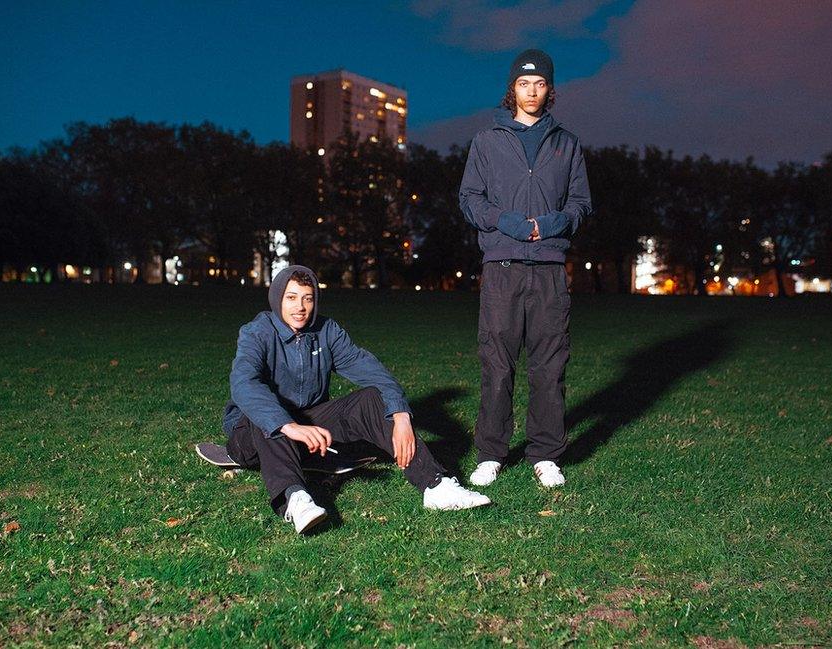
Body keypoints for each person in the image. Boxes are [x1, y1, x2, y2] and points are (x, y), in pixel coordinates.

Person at [223, 265, 490, 534]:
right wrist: (289, 426)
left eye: (308, 297)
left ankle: (435, 486)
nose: (300, 307)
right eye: (291, 297)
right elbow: (244, 384)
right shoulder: (257, 331)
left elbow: (373, 372)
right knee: (269, 413)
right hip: (251, 435)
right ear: (277, 298)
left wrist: (401, 415)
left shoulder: (326, 331)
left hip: (310, 430)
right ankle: (296, 499)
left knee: (372, 398)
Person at [458, 49, 592, 489]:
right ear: (512, 88)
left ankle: (545, 453)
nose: (531, 91)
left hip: (550, 268)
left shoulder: (566, 143)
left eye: (539, 84)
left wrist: (553, 224)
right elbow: (470, 200)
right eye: (523, 83)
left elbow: (581, 204)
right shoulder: (487, 140)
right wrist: (508, 222)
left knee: (549, 364)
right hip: (502, 267)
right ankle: (492, 453)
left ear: (549, 90)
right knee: (497, 362)